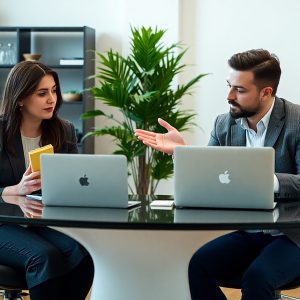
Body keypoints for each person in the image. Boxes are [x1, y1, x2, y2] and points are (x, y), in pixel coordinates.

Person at [134, 49, 300, 300]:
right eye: (229, 86)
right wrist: (182, 153)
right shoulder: (224, 124)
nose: (229, 96)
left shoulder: (297, 122)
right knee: (190, 265)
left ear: (266, 92)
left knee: (257, 277)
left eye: (240, 90)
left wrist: (267, 179)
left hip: (292, 235)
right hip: (247, 231)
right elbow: (208, 179)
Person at [0, 61, 94, 300]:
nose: (51, 99)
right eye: (42, 93)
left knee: (82, 252)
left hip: (39, 223)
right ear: (20, 98)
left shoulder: (64, 130)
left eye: (53, 91)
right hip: (3, 224)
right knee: (44, 257)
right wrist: (14, 190)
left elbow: (76, 180)